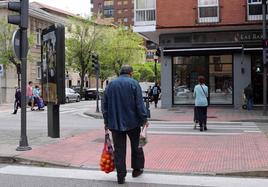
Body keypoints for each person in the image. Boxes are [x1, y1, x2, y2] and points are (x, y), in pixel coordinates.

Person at [102, 65, 149, 184]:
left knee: (119, 150)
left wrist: (106, 122)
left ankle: (121, 175)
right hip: (133, 122)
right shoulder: (134, 83)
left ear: (120, 72)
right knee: (137, 146)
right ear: (130, 73)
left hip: (115, 123)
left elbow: (105, 105)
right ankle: (137, 169)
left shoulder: (111, 85)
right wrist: (144, 119)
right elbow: (139, 104)